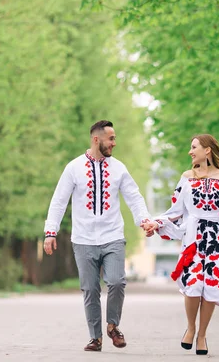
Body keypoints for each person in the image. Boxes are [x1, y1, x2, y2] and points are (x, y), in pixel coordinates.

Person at [43, 120, 151, 352]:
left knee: (117, 281)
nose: (114, 143)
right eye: (110, 138)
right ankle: (95, 337)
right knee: (90, 289)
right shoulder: (74, 167)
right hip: (83, 240)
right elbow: (59, 201)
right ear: (96, 139)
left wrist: (143, 220)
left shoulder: (119, 168)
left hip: (112, 236)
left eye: (114, 138)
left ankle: (113, 326)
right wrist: (50, 232)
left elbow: (134, 196)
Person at [143, 134, 219, 356]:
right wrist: (155, 222)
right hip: (193, 238)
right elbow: (176, 211)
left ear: (207, 150)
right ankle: (190, 327)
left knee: (210, 287)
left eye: (194, 147)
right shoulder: (186, 178)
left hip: (218, 240)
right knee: (192, 286)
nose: (190, 152)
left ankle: (202, 335)